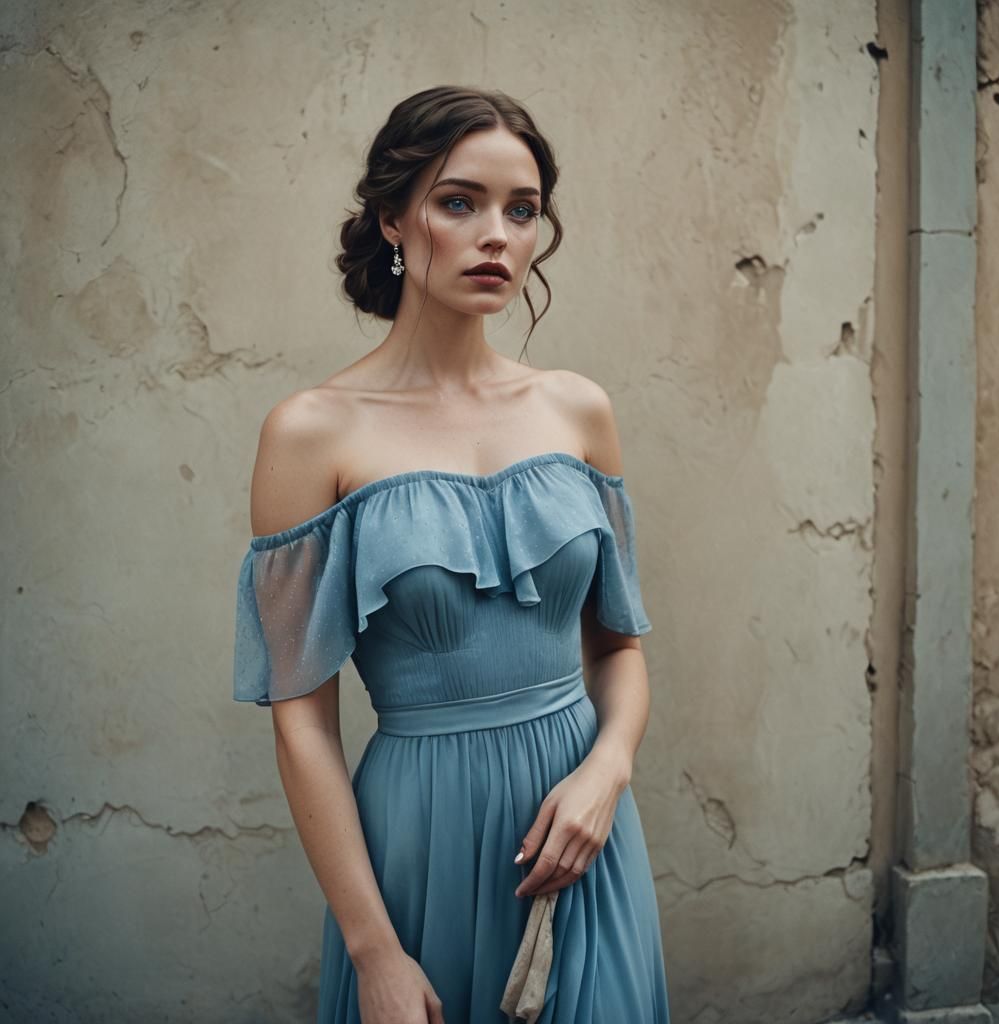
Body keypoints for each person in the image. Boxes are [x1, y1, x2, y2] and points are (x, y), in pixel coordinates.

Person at [233, 85, 671, 1024]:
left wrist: (608, 771)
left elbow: (621, 650)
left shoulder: (578, 410)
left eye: (522, 211)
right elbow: (301, 720)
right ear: (393, 217)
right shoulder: (310, 433)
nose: (497, 237)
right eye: (459, 202)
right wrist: (373, 949)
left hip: (580, 834)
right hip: (417, 840)